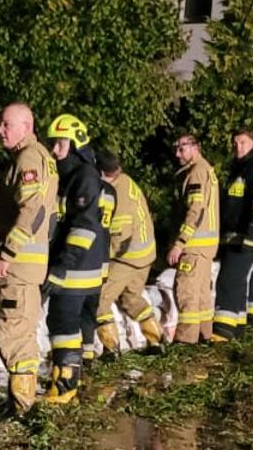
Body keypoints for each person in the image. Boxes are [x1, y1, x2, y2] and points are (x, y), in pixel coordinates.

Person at [0, 103, 58, 415]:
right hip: (27, 266)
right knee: (18, 331)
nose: (0, 130)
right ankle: (19, 405)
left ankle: (24, 410)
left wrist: (7, 253)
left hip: (19, 266)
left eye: (7, 125)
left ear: (26, 126)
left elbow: (32, 209)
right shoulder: (37, 157)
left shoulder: (29, 158)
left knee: (13, 332)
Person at [42, 114, 106, 404]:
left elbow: (84, 228)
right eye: (53, 144)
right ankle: (62, 379)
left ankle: (66, 385)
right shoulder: (72, 177)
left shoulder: (84, 178)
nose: (55, 151)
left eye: (60, 144)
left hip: (76, 270)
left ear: (76, 144)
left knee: (64, 323)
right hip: (77, 268)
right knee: (63, 321)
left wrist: (60, 267)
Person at [94, 150, 162, 354]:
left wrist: (102, 260)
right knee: (131, 298)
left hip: (127, 257)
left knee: (99, 299)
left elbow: (119, 236)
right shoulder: (126, 182)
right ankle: (156, 340)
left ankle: (110, 347)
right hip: (145, 255)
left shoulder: (117, 193)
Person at [212, 129, 253, 341]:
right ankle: (237, 327)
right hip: (233, 235)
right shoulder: (236, 169)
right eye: (235, 143)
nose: (238, 147)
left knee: (228, 280)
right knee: (237, 281)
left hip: (247, 235)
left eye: (243, 142)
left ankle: (223, 329)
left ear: (252, 143)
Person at [167, 133, 219, 344]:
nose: (177, 153)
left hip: (194, 244)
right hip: (207, 246)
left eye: (182, 148)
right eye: (176, 148)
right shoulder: (206, 169)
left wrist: (180, 243)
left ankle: (185, 340)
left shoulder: (196, 172)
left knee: (187, 291)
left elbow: (195, 210)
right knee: (202, 295)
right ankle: (204, 335)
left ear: (195, 147)